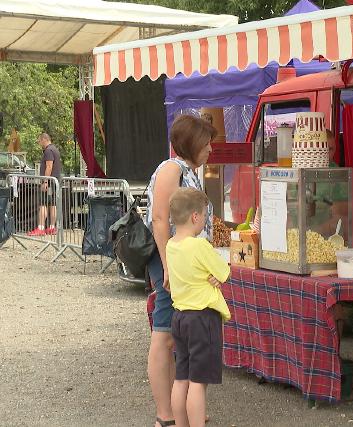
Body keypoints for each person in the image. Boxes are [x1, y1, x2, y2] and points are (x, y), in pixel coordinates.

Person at [145, 114, 215, 427]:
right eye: (207, 142)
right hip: (171, 264)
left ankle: (180, 412)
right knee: (164, 336)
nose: (211, 148)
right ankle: (165, 417)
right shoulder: (171, 168)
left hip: (186, 267)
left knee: (179, 337)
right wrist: (169, 267)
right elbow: (160, 219)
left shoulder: (190, 171)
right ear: (192, 143)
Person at [166, 187, 230, 427]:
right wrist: (215, 276)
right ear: (195, 216)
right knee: (198, 382)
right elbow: (223, 271)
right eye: (204, 215)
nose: (204, 219)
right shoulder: (200, 245)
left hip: (180, 318)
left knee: (181, 377)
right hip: (203, 319)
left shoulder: (171, 245)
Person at [27, 133, 61, 236]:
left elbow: (49, 166)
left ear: (44, 139)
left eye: (39, 141)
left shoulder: (48, 150)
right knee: (53, 204)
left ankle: (41, 228)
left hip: (49, 183)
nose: (39, 143)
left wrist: (45, 181)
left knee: (43, 205)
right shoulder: (55, 149)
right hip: (54, 182)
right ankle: (51, 227)